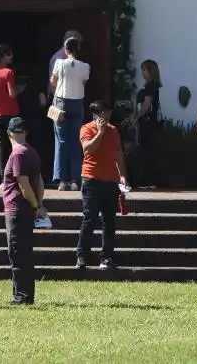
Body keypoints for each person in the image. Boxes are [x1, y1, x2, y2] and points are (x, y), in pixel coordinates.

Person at [76, 101, 127, 272]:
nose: (107, 116)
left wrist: (123, 175)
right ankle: (82, 256)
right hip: (91, 179)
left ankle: (107, 258)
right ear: (96, 115)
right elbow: (87, 150)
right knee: (89, 218)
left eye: (108, 112)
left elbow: (118, 153)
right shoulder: (86, 129)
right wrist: (100, 133)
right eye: (103, 112)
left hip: (111, 181)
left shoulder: (114, 131)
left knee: (109, 221)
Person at [1, 115, 47, 306]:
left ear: (9, 133)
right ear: (25, 132)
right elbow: (40, 184)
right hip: (27, 209)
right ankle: (25, 294)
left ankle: (21, 296)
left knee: (17, 253)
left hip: (17, 210)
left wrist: (36, 206)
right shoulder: (32, 152)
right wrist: (39, 204)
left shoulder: (17, 154)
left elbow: (24, 185)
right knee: (25, 253)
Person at [50, 36, 91, 190]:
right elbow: (83, 82)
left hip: (61, 102)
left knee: (61, 141)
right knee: (76, 142)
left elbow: (53, 82)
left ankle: (62, 180)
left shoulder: (59, 63)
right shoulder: (85, 66)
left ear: (66, 50)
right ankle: (75, 180)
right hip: (77, 102)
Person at [0, 44, 21, 180]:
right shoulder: (9, 72)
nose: (11, 57)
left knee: (1, 147)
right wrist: (20, 89)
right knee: (15, 145)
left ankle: (3, 177)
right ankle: (15, 175)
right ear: (3, 56)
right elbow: (12, 93)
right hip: (11, 113)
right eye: (9, 54)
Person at [134, 59, 162, 189]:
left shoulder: (151, 87)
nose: (142, 73)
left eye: (144, 70)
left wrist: (137, 116)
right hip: (146, 122)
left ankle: (148, 180)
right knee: (146, 150)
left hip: (148, 122)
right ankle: (149, 180)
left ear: (150, 71)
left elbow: (146, 105)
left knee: (146, 151)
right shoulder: (149, 85)